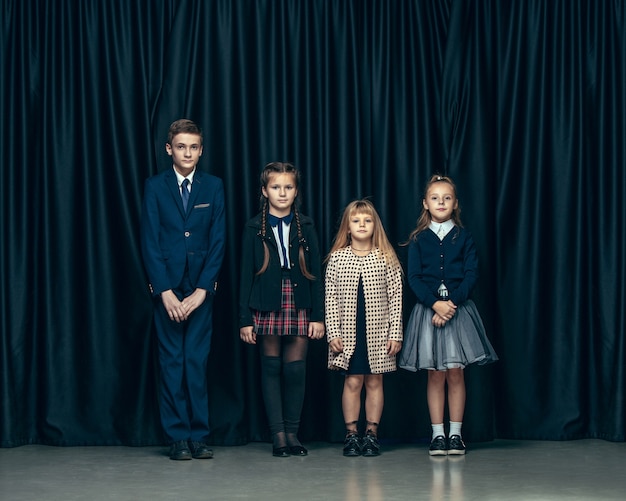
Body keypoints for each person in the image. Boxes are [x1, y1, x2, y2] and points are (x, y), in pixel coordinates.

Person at [140, 119, 225, 460]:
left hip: (200, 289)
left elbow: (218, 240)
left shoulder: (213, 186)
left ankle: (199, 435)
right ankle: (177, 436)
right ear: (169, 149)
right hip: (168, 289)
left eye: (193, 147)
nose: (187, 152)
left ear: (201, 150)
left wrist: (204, 289)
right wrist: (164, 291)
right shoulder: (155, 186)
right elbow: (149, 240)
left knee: (196, 362)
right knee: (172, 362)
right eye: (180, 146)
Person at [399, 174, 497, 456]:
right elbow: (414, 278)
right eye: (434, 198)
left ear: (455, 204)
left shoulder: (463, 237)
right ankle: (438, 435)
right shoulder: (418, 239)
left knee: (456, 374)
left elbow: (471, 274)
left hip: (458, 312)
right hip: (428, 314)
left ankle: (456, 434)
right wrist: (435, 305)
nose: (440, 202)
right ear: (425, 204)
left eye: (447, 198)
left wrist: (450, 304)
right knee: (435, 375)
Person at [238, 162, 325, 457]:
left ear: (296, 190)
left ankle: (293, 433)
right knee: (271, 367)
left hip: (299, 299)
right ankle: (278, 436)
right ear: (265, 191)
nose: (282, 192)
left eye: (288, 187)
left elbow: (316, 274)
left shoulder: (307, 225)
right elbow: (244, 275)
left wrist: (318, 316)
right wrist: (244, 320)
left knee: (296, 370)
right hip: (265, 300)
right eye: (276, 187)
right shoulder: (253, 227)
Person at [325, 199, 403, 457]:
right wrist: (333, 332)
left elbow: (396, 297)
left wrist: (395, 333)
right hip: (348, 333)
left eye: (367, 220)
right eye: (356, 220)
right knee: (352, 380)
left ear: (375, 225)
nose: (361, 225)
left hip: (378, 333)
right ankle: (351, 433)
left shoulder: (386, 257)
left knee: (374, 381)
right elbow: (331, 298)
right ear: (347, 227)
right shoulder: (337, 258)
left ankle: (371, 433)